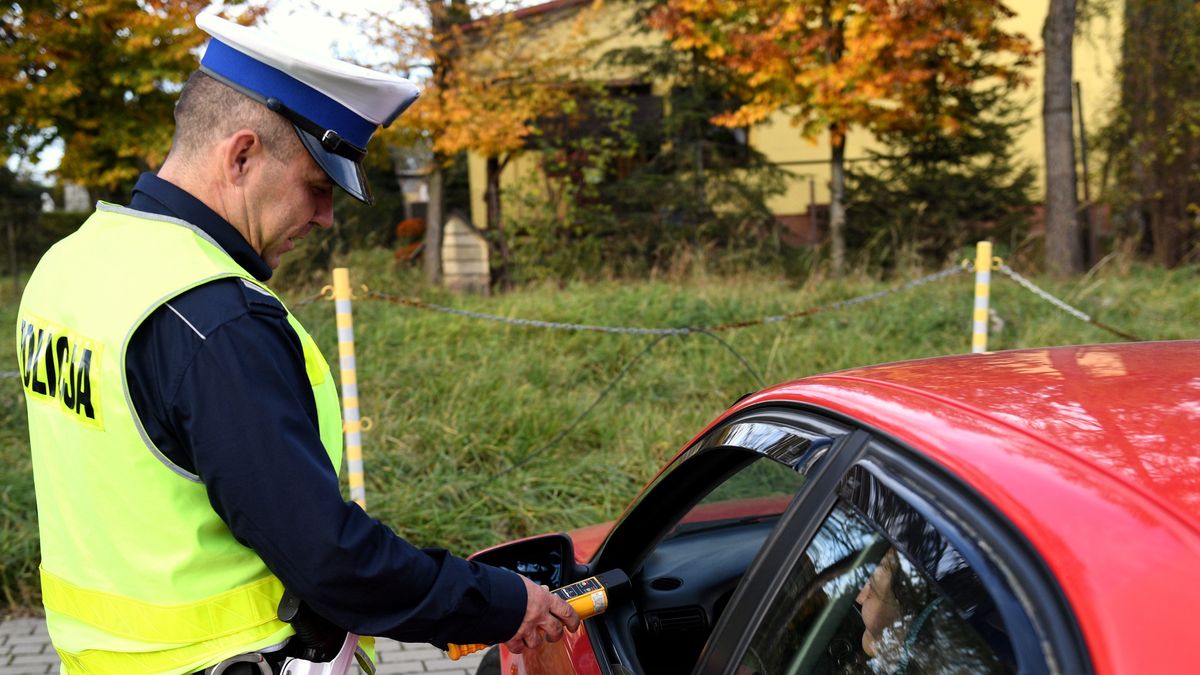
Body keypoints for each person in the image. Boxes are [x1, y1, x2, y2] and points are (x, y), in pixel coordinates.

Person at [16, 13, 578, 675]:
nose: (324, 217)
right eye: (317, 187)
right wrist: (500, 603)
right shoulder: (216, 317)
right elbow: (329, 558)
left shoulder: (70, 264)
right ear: (242, 154)